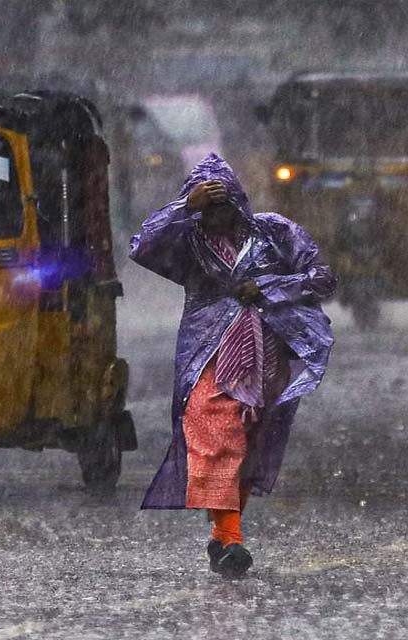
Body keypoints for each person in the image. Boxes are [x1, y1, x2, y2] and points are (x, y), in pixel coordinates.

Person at [130, 153, 335, 578]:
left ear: (239, 202)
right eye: (205, 208)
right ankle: (234, 539)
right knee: (218, 438)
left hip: (266, 357)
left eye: (220, 206)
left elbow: (321, 277)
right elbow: (142, 247)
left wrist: (266, 287)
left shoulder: (275, 233)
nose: (214, 217)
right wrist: (183, 207)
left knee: (247, 450)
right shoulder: (186, 243)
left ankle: (224, 536)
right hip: (207, 356)